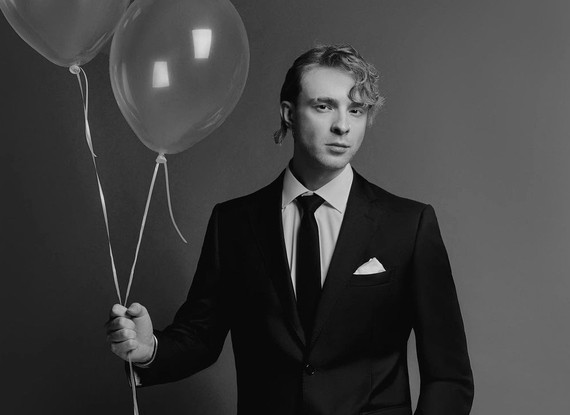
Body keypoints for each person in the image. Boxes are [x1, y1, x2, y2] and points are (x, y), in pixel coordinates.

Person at [106, 44, 474, 415]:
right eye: (324, 106)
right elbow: (201, 337)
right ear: (289, 114)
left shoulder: (408, 224)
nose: (343, 125)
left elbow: (449, 376)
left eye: (356, 110)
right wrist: (149, 349)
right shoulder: (233, 223)